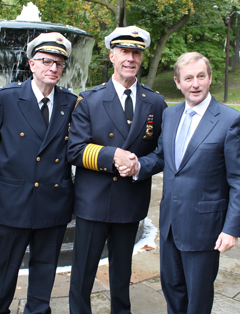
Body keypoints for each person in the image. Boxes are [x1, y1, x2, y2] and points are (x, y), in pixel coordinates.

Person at [119, 52, 240, 313]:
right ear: (178, 83)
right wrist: (137, 166)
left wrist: (232, 228)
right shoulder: (170, 115)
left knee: (198, 300)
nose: (195, 84)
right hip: (170, 224)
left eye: (201, 76)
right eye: (188, 78)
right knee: (173, 292)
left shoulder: (230, 120)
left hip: (205, 228)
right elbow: (162, 156)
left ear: (210, 78)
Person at [67, 26, 167, 313]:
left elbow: (162, 153)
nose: (130, 58)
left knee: (122, 273)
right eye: (124, 51)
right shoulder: (89, 99)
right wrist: (114, 155)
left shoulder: (156, 103)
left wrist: (138, 166)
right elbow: (74, 150)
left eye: (136, 53)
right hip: (93, 201)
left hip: (130, 199)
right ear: (112, 55)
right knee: (83, 271)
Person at [0, 32, 77, 314]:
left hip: (53, 199)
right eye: (46, 61)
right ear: (32, 64)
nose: (53, 68)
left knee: (46, 265)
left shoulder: (71, 103)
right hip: (12, 199)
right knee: (4, 264)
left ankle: (37, 310)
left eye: (59, 63)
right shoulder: (5, 99)